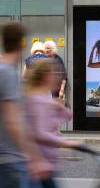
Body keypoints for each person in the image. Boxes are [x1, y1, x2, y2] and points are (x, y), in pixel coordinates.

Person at [0, 23, 52, 188]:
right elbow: (13, 122)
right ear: (22, 43)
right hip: (6, 160)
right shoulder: (7, 73)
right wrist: (36, 158)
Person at [24, 59, 79, 188]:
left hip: (47, 163)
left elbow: (65, 117)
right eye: (55, 74)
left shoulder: (45, 96)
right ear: (45, 76)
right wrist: (66, 143)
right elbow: (40, 133)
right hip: (38, 165)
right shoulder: (36, 99)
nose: (58, 77)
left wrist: (60, 108)